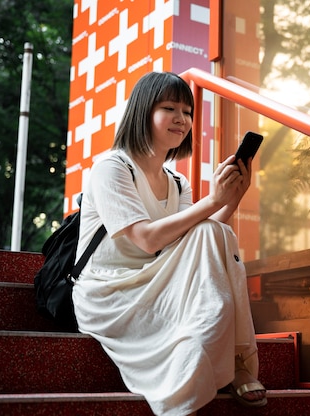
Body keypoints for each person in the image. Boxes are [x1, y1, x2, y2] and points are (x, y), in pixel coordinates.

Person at [72, 71, 267, 415]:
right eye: (169, 108)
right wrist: (212, 201)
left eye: (188, 112)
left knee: (214, 233)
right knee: (210, 233)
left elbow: (201, 238)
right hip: (110, 290)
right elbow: (147, 239)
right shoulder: (110, 168)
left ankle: (234, 361)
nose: (181, 119)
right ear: (142, 112)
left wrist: (231, 199)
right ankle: (209, 377)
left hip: (156, 278)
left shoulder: (176, 181)